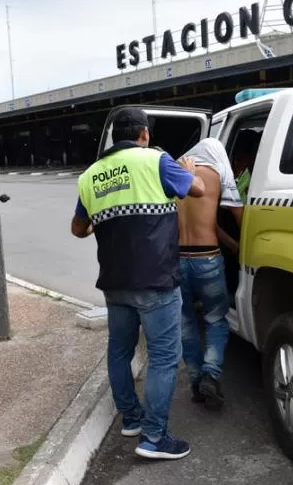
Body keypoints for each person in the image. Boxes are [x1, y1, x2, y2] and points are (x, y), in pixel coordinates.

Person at [71, 107, 204, 461]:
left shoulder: (90, 177)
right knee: (163, 357)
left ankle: (131, 418)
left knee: (119, 351)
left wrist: (106, 219)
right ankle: (154, 438)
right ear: (144, 133)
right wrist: (188, 170)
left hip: (115, 283)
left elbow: (78, 228)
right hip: (157, 281)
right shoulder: (156, 161)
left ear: (116, 135)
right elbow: (200, 190)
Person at [174, 138, 244, 410]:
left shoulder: (176, 173)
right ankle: (211, 375)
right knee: (216, 319)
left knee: (187, 321)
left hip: (178, 258)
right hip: (207, 258)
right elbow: (238, 216)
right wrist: (242, 245)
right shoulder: (217, 173)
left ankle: (195, 381)